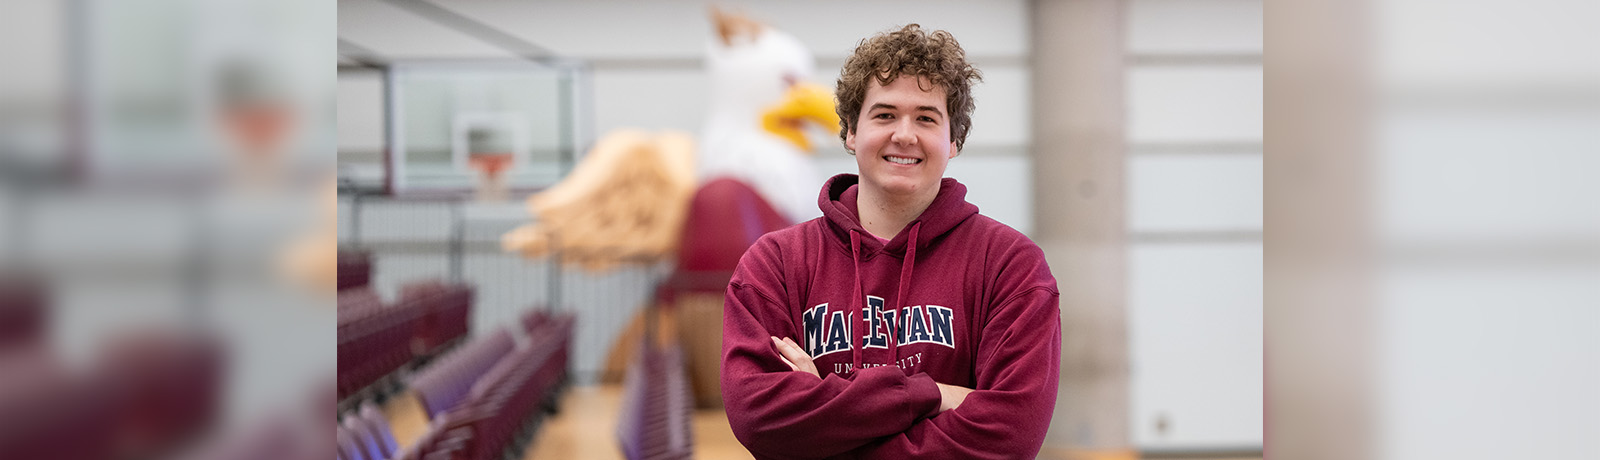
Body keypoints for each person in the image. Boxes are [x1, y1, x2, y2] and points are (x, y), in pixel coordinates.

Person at [720, 24, 1061, 459]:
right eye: (884, 115)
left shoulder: (1010, 266)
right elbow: (760, 417)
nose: (904, 135)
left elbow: (1011, 434)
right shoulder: (776, 265)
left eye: (925, 117)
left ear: (953, 140)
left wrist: (822, 406)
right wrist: (931, 395)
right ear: (850, 132)